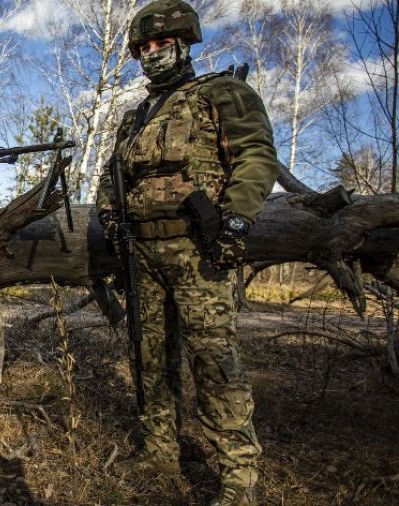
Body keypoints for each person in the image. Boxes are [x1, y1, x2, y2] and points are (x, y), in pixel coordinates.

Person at [95, 1, 279, 505]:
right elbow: (111, 176)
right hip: (142, 254)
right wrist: (110, 216)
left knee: (214, 363)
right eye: (144, 48)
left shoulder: (221, 92)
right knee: (151, 357)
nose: (152, 54)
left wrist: (238, 218)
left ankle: (238, 480)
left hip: (199, 250)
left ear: (184, 43)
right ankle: (160, 450)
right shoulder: (134, 117)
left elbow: (256, 155)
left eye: (161, 44)